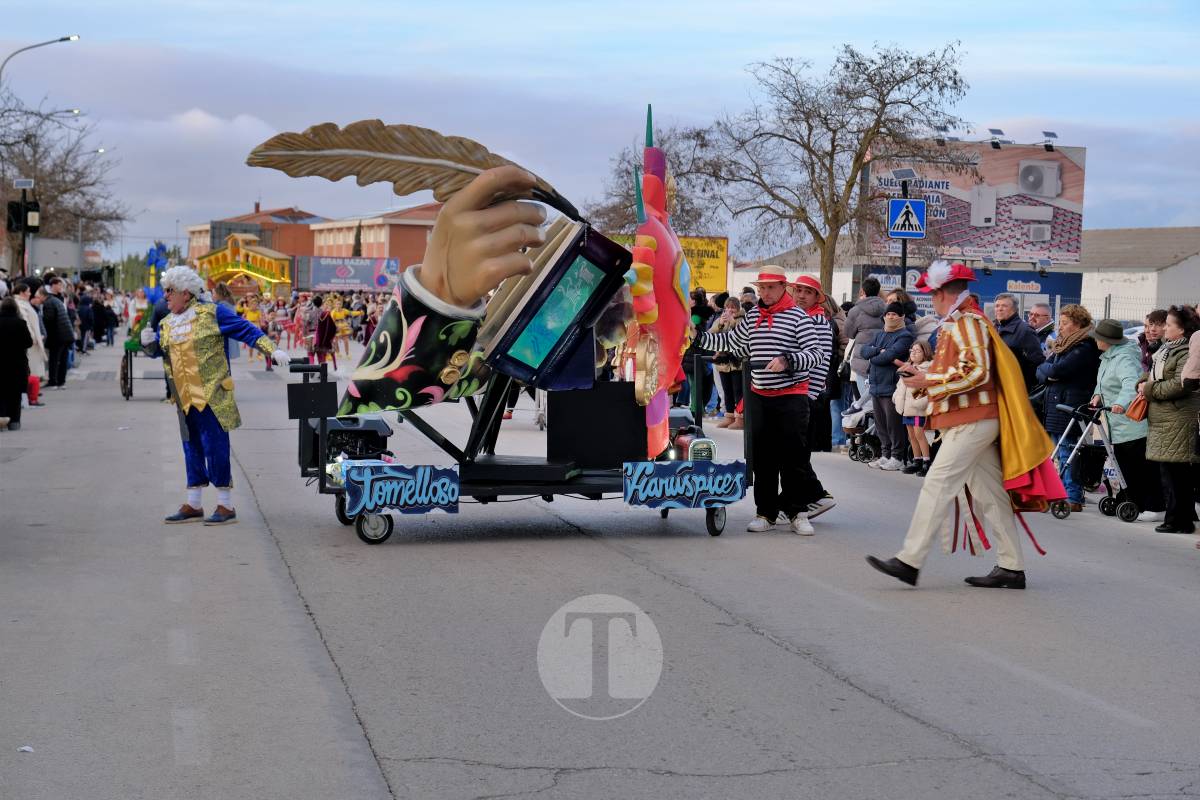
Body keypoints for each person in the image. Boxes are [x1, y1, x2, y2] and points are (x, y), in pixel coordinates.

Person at [866, 260, 1057, 590]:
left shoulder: (967, 321)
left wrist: (929, 378)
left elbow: (976, 371)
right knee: (991, 495)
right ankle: (1011, 567)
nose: (931, 300)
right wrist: (927, 379)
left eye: (932, 294)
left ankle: (909, 560)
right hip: (973, 419)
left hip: (974, 419)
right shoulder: (963, 321)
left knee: (937, 483)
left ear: (941, 294)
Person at [141, 266, 292, 525]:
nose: (165, 296)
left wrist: (272, 350)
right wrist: (148, 343)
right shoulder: (167, 322)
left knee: (216, 446)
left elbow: (246, 329)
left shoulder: (213, 313)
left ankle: (225, 504)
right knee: (191, 446)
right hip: (183, 397)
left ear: (185, 293)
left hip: (212, 394)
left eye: (169, 291)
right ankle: (194, 502)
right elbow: (159, 352)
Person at [697, 265, 827, 535]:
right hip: (759, 395)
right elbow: (732, 342)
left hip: (792, 396)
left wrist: (787, 360)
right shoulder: (753, 315)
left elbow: (815, 354)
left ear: (783, 287)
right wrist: (697, 337)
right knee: (763, 457)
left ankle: (798, 512)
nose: (765, 293)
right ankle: (765, 513)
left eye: (770, 287)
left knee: (793, 457)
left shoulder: (798, 316)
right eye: (761, 288)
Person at [1089, 319, 1165, 522]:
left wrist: (1121, 403)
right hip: (1117, 423)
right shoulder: (1108, 358)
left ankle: (1154, 505)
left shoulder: (1123, 358)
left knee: (1139, 466)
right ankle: (1130, 500)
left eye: (1099, 338)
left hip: (1130, 422)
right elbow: (1103, 383)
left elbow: (1130, 383)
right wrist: (1097, 394)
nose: (1096, 341)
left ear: (1108, 341)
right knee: (1123, 465)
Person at [1138, 305, 1200, 534]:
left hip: (1178, 416)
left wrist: (1149, 389)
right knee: (1169, 471)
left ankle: (1180, 520)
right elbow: (1153, 372)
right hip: (1164, 417)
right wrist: (1142, 382)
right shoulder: (1165, 349)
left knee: (1179, 473)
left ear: (1182, 330)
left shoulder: (1186, 352)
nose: (1164, 327)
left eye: (1170, 324)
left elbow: (1179, 384)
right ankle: (1175, 518)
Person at [1035, 305, 1100, 512]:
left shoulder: (1084, 347)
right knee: (1057, 451)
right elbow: (1042, 370)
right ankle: (1060, 492)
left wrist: (1050, 372)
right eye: (1060, 322)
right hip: (1056, 403)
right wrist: (1049, 372)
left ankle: (1072, 496)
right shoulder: (1062, 345)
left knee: (1068, 451)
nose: (1060, 327)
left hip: (1071, 404)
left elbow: (1057, 369)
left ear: (1078, 324)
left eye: (1065, 323)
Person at [859, 302, 915, 470]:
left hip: (891, 386)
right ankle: (885, 454)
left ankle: (897, 456)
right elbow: (863, 351)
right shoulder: (879, 334)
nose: (890, 317)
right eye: (888, 314)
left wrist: (876, 354)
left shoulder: (904, 335)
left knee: (893, 424)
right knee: (881, 423)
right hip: (876, 384)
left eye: (894, 314)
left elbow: (888, 356)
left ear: (902, 317)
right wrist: (879, 351)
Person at [894, 339, 934, 475]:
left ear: (925, 353)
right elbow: (900, 385)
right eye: (912, 351)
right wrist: (896, 397)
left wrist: (920, 403)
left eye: (918, 351)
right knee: (911, 435)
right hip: (907, 407)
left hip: (918, 408)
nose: (914, 353)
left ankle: (926, 462)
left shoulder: (928, 368)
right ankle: (917, 460)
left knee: (919, 434)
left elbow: (928, 389)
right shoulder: (906, 367)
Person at [842, 277, 886, 401]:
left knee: (861, 404)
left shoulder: (855, 311)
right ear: (878, 292)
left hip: (861, 360)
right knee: (877, 404)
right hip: (882, 359)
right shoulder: (887, 309)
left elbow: (848, 333)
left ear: (864, 292)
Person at [993, 293, 1045, 391]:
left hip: (1016, 387)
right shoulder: (993, 328)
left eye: (1004, 306)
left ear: (1014, 309)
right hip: (997, 385)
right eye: (997, 306)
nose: (999, 309)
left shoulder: (1025, 330)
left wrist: (1022, 384)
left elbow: (1037, 361)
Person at [711, 297, 745, 430]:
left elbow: (743, 336)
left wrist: (733, 323)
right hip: (723, 363)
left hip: (738, 362)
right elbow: (711, 334)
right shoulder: (720, 319)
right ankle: (729, 416)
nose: (730, 310)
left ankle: (740, 418)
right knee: (727, 391)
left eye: (733, 307)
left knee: (738, 391)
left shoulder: (743, 319)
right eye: (728, 307)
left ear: (738, 308)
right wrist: (720, 324)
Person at [0, 297, 33, 431]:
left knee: (0, 393)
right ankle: (14, 422)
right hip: (17, 364)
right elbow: (28, 343)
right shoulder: (20, 323)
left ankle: (1, 419)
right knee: (15, 393)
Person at [12, 282, 47, 407]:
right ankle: (30, 398)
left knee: (32, 371)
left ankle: (30, 397)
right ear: (21, 292)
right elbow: (25, 322)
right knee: (31, 371)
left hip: (32, 342)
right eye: (28, 291)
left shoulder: (23, 303)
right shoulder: (20, 304)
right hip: (30, 343)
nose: (30, 293)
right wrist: (32, 337)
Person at [41, 277, 74, 389]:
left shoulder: (53, 300)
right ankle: (60, 381)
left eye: (61, 285)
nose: (61, 287)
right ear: (53, 285)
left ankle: (54, 381)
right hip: (64, 333)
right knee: (61, 358)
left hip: (57, 334)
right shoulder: (57, 299)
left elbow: (48, 320)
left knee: (56, 359)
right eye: (59, 285)